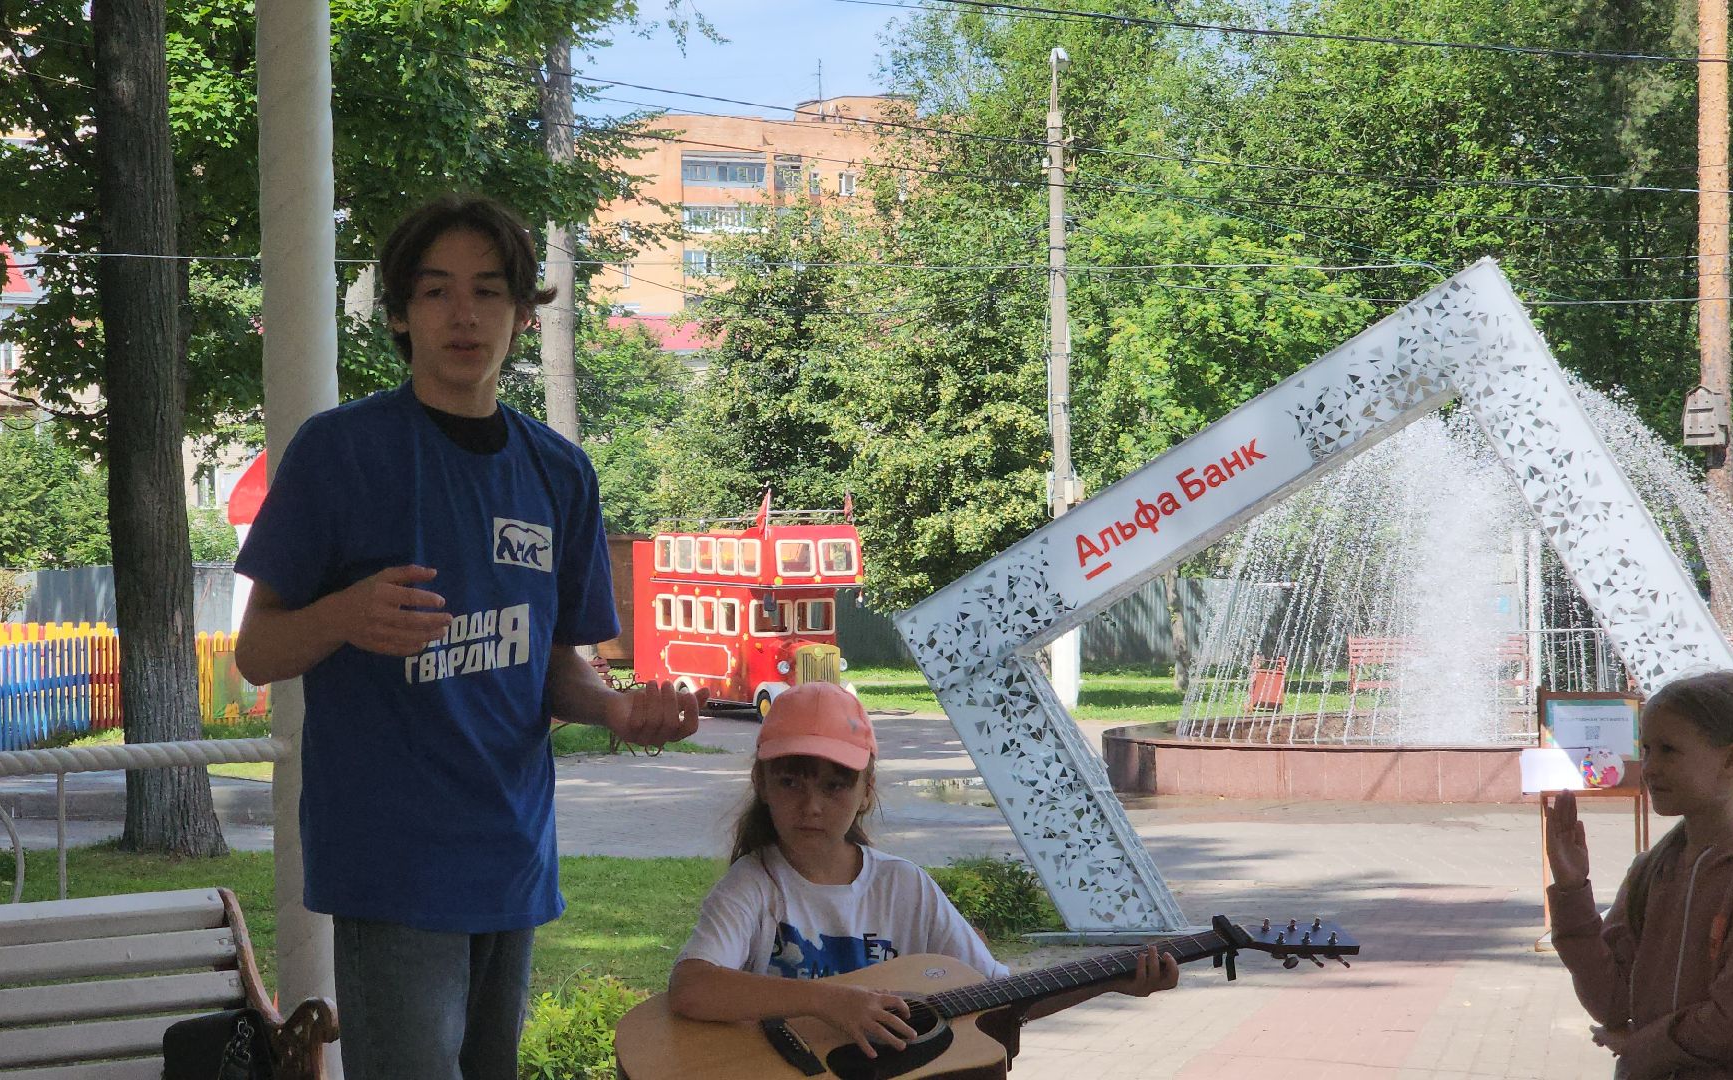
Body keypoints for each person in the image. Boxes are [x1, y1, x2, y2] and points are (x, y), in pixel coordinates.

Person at [233, 193, 702, 1080]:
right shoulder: (340, 452)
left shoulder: (558, 472)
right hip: (393, 859)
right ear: (402, 313)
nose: (464, 313)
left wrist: (616, 711)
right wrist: (342, 615)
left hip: (513, 856)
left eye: (489, 291)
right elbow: (258, 652)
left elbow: (556, 670)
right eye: (437, 290)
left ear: (524, 315)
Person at [667, 682, 1177, 1061]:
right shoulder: (755, 886)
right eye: (791, 782)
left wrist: (1109, 982)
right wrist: (830, 1003)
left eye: (834, 786)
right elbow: (692, 986)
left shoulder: (903, 886)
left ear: (866, 790)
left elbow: (1000, 994)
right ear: (762, 782)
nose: (812, 806)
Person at [1546, 669, 1733, 1079]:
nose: (1649, 768)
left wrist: (1645, 1047)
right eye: (1645, 750)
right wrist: (1572, 892)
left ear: (1731, 760)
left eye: (1668, 750)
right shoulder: (1653, 869)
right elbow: (1611, 1002)